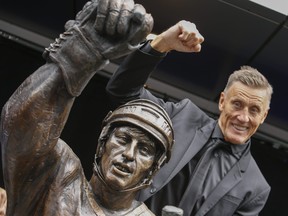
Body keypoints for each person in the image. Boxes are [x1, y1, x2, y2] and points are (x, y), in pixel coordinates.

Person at [0, 0, 176, 215]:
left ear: (153, 169)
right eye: (123, 139)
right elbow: (20, 131)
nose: (129, 154)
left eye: (145, 150)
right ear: (103, 142)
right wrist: (80, 54)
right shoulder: (59, 172)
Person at [106, 20, 272, 215]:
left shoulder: (256, 187)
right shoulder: (182, 116)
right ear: (222, 102)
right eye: (237, 104)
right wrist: (162, 44)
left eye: (254, 110)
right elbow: (121, 92)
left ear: (263, 116)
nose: (243, 117)